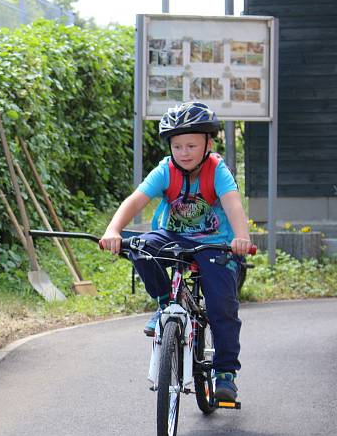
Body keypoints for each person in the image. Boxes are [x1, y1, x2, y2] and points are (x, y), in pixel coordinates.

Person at [99, 101, 252, 402]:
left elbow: (233, 204)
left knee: (222, 305)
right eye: (177, 145)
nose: (184, 152)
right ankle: (162, 303)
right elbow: (136, 200)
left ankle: (225, 374)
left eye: (191, 145)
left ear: (209, 143)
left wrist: (242, 237)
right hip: (173, 236)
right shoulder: (165, 170)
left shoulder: (217, 170)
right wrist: (113, 230)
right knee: (142, 248)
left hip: (215, 241)